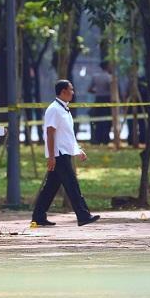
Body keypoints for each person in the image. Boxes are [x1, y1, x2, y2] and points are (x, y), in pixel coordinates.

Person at [31, 80, 100, 227]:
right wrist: (51, 156)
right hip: (58, 154)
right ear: (63, 91)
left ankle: (38, 217)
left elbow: (67, 134)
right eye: (71, 90)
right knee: (72, 185)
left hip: (63, 152)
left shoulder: (64, 109)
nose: (73, 92)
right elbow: (50, 133)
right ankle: (83, 215)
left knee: (50, 187)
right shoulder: (54, 109)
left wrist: (77, 150)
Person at [88, 61, 113, 145]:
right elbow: (112, 90)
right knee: (107, 121)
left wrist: (98, 91)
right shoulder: (110, 77)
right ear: (107, 66)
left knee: (98, 121)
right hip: (107, 101)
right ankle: (105, 140)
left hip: (98, 100)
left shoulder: (95, 77)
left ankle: (98, 139)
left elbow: (89, 89)